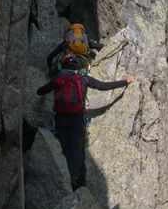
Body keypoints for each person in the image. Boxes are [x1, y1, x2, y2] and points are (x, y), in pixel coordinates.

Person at [36, 53, 133, 190]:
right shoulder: (84, 79)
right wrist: (125, 81)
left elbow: (40, 91)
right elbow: (104, 86)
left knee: (63, 149)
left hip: (61, 119)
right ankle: (75, 179)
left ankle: (63, 179)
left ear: (63, 66)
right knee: (76, 150)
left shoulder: (59, 79)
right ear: (77, 67)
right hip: (77, 119)